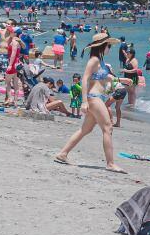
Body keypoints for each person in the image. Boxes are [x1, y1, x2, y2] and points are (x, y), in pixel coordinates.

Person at [53, 32, 124, 172]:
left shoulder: (100, 60)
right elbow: (85, 79)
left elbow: (102, 77)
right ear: (102, 46)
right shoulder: (94, 60)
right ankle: (110, 163)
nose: (110, 48)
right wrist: (84, 102)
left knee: (85, 129)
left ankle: (63, 154)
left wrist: (119, 80)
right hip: (93, 98)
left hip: (98, 98)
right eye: (108, 45)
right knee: (108, 128)